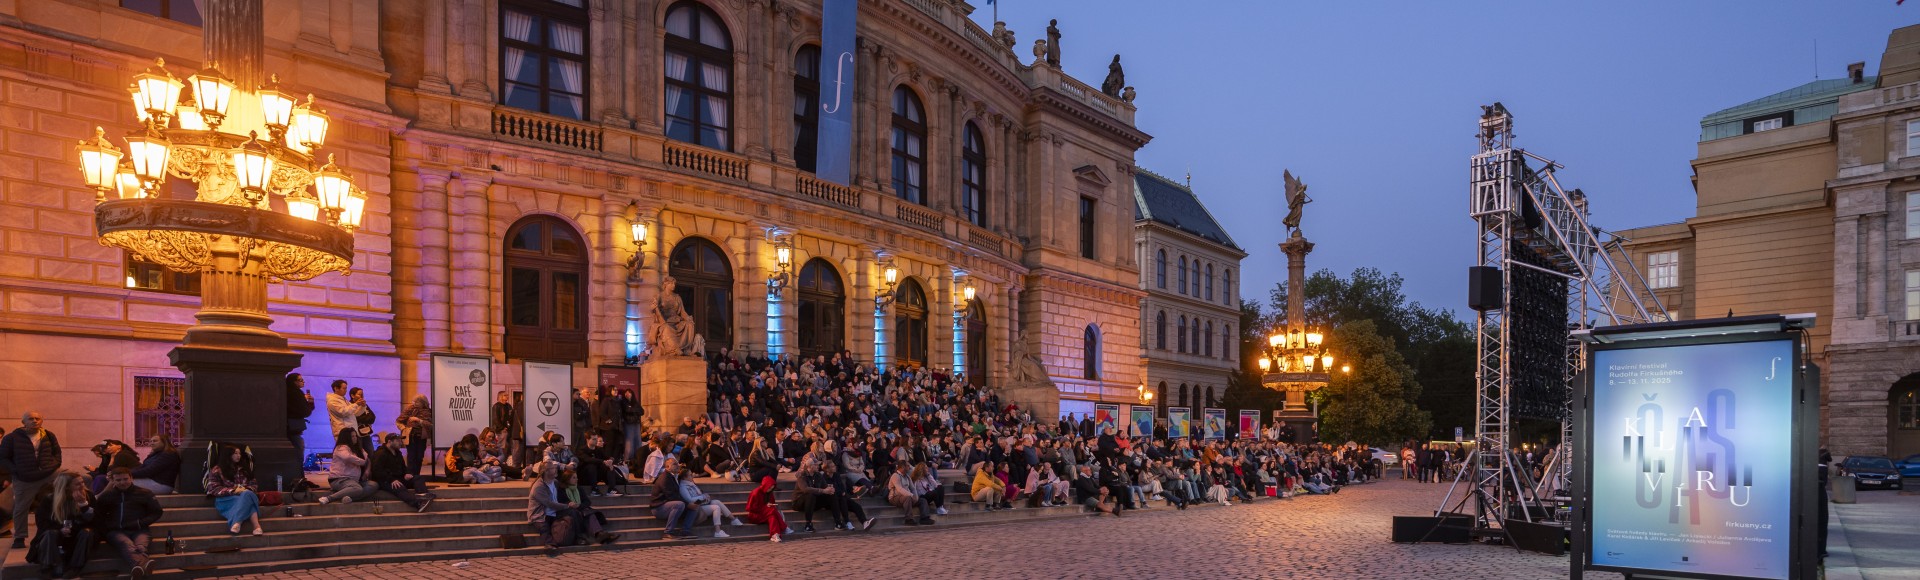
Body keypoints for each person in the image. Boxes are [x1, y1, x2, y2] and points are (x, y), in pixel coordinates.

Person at [1, 411, 62, 547]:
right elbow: (3, 458)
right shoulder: (11, 438)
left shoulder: (49, 435)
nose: (34, 421)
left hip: (48, 472)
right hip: (25, 477)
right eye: (31, 419)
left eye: (37, 418)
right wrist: (16, 471)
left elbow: (57, 453)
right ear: (23, 422)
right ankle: (20, 537)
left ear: (41, 421)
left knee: (76, 479)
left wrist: (55, 465)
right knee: (21, 507)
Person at [93, 468, 161, 577]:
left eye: (125, 479)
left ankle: (138, 571)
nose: (122, 482)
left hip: (139, 529)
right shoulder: (106, 496)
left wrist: (140, 523)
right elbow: (99, 516)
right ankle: (143, 564)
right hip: (116, 531)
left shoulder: (145, 493)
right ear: (113, 481)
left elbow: (157, 512)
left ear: (131, 478)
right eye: (118, 480)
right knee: (127, 544)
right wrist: (106, 530)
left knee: (141, 546)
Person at [30, 471, 92, 578]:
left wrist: (84, 505)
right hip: (55, 535)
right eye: (78, 484)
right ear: (66, 487)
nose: (82, 485)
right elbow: (42, 523)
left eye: (82, 482)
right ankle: (47, 567)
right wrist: (60, 529)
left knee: (87, 532)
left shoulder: (88, 496)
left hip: (76, 535)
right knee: (50, 533)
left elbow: (93, 522)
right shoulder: (49, 499)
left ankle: (75, 567)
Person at [204, 444, 264, 535]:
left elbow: (254, 485)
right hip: (226, 499)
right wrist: (233, 490)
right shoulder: (217, 469)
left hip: (245, 495)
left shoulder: (245, 469)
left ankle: (237, 523)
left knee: (247, 494)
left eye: (239, 453)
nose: (238, 456)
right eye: (235, 453)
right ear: (228, 455)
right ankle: (257, 526)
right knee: (248, 501)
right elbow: (213, 488)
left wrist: (244, 489)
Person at [369, 434, 433, 512]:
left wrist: (406, 473)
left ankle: (423, 496)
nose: (400, 443)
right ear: (389, 442)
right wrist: (391, 480)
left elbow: (403, 467)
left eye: (400, 440)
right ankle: (417, 504)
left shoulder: (397, 452)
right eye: (397, 441)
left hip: (398, 477)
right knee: (399, 487)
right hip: (385, 480)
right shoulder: (380, 453)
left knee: (418, 478)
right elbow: (377, 471)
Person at [527, 463, 576, 557]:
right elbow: (549, 503)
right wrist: (566, 506)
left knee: (574, 513)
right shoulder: (539, 486)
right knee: (544, 527)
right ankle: (549, 545)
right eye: (553, 468)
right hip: (541, 514)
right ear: (546, 472)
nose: (556, 470)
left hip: (555, 513)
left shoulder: (555, 482)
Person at [647, 457, 700, 540]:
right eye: (674, 464)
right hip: (659, 507)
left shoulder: (675, 476)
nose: (678, 465)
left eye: (677, 463)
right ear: (667, 467)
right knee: (680, 504)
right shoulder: (665, 478)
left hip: (669, 505)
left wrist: (691, 504)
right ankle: (668, 532)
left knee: (694, 507)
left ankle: (685, 531)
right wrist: (687, 504)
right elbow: (671, 496)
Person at [678, 468, 740, 537]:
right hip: (697, 508)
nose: (692, 476)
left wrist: (705, 496)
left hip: (701, 503)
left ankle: (733, 519)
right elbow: (690, 500)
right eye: (690, 475)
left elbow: (699, 494)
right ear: (685, 477)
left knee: (717, 502)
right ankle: (718, 531)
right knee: (716, 508)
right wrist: (702, 497)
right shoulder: (683, 487)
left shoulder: (692, 484)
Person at [318, 429, 374, 505]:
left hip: (354, 480)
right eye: (352, 436)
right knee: (357, 488)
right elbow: (348, 457)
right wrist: (363, 462)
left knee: (373, 485)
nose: (355, 438)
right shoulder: (341, 448)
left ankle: (349, 498)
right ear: (346, 437)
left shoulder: (358, 448)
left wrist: (367, 470)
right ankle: (329, 498)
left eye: (355, 436)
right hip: (340, 479)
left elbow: (367, 458)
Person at [744, 476, 790, 542]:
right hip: (755, 515)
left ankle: (775, 535)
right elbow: (751, 508)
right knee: (772, 511)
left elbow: (772, 503)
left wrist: (769, 505)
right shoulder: (756, 492)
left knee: (772, 516)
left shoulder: (769, 493)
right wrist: (765, 506)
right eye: (769, 488)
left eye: (771, 488)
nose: (770, 490)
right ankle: (784, 527)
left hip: (766, 514)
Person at [888, 459, 934, 526]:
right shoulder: (895, 476)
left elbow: (912, 488)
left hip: (907, 497)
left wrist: (916, 497)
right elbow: (899, 489)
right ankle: (908, 519)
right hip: (894, 497)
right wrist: (911, 495)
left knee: (922, 500)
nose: (909, 467)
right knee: (908, 498)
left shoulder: (907, 476)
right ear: (903, 467)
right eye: (908, 466)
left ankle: (924, 518)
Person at [398, 396, 433, 477]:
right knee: (411, 456)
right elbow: (399, 420)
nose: (414, 404)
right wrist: (404, 429)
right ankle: (410, 475)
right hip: (411, 436)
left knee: (419, 457)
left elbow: (431, 425)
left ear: (423, 402)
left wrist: (418, 420)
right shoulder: (410, 409)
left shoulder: (429, 411)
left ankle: (417, 475)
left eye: (416, 402)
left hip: (422, 437)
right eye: (413, 401)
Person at [286, 373, 315, 467]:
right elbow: (305, 411)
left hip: (290, 426)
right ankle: (299, 472)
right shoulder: (295, 393)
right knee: (298, 449)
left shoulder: (287, 391)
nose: (303, 382)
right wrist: (305, 402)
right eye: (300, 380)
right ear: (294, 382)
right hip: (293, 426)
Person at [325, 380, 362, 444]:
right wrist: (356, 404)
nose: (346, 390)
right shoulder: (332, 401)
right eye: (344, 388)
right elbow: (343, 412)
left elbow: (355, 413)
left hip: (351, 431)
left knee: (354, 452)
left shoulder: (343, 399)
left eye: (346, 388)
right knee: (345, 451)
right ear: (336, 388)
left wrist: (362, 406)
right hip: (342, 432)